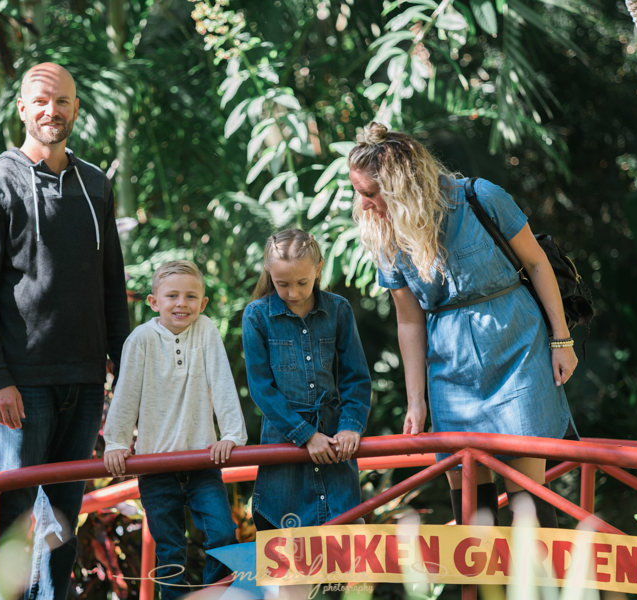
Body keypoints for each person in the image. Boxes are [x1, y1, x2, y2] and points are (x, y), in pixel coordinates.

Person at [349, 122, 579, 527]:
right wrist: (416, 400)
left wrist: (562, 341)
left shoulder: (480, 197)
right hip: (450, 369)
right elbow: (409, 320)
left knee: (529, 505)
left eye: (369, 192)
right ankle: (484, 590)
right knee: (474, 510)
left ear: (401, 186)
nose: (363, 203)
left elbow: (538, 263)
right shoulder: (385, 236)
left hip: (516, 349)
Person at [0, 62, 130, 598]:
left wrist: (121, 367)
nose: (50, 111)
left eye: (61, 101)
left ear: (75, 108)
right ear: (21, 109)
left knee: (64, 516)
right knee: (10, 512)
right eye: (39, 101)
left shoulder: (97, 186)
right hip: (22, 385)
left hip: (83, 383)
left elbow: (112, 285)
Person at [103, 260, 248, 600]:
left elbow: (223, 383)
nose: (182, 303)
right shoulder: (141, 340)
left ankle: (211, 594)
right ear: (154, 302)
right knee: (170, 552)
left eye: (191, 296)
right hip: (156, 466)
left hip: (201, 461)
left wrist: (231, 436)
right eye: (172, 296)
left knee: (224, 534)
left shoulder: (206, 331)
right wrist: (116, 441)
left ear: (203, 303)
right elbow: (126, 394)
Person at [242, 229, 371, 531]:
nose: (293, 293)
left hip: (335, 446)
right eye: (282, 283)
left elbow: (357, 377)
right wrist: (305, 435)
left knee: (343, 554)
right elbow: (261, 388)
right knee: (287, 555)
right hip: (283, 449)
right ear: (269, 273)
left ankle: (340, 582)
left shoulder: (339, 310)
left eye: (302, 282)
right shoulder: (256, 316)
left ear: (319, 269)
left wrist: (351, 426)